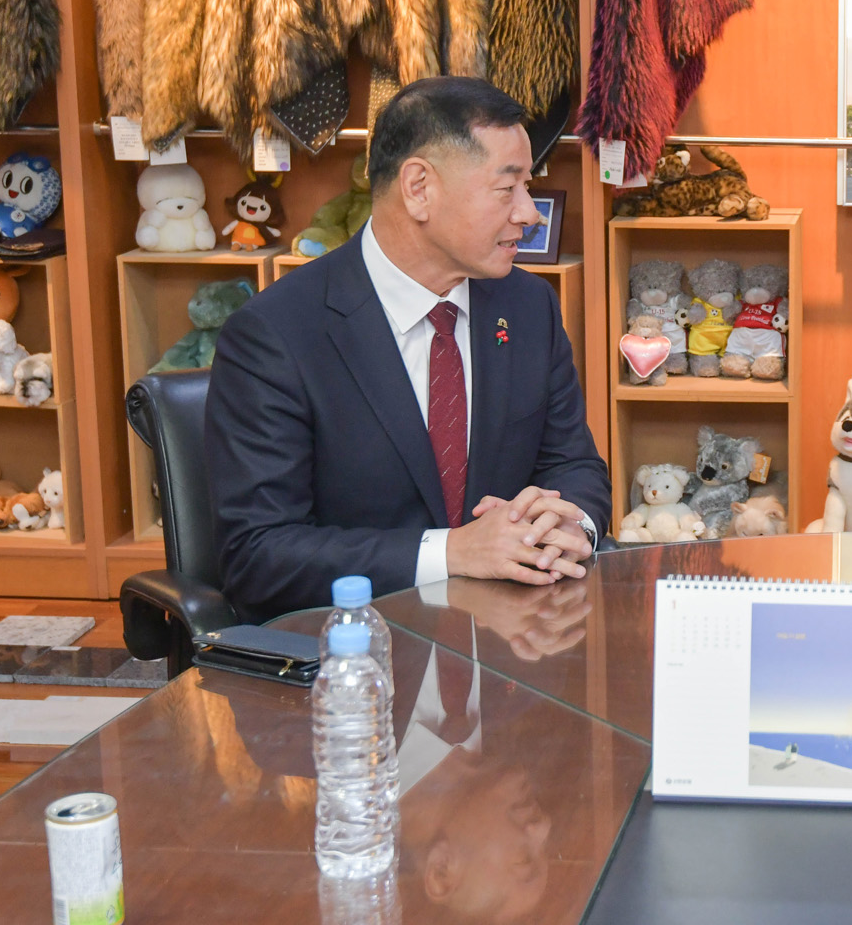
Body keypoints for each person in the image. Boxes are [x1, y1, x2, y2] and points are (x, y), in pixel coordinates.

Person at [206, 76, 610, 622]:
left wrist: (570, 521)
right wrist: (453, 552)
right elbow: (258, 555)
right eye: (507, 188)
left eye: (528, 187)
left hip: (513, 636)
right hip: (356, 645)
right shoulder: (275, 334)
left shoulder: (528, 305)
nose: (530, 213)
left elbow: (573, 463)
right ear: (419, 188)